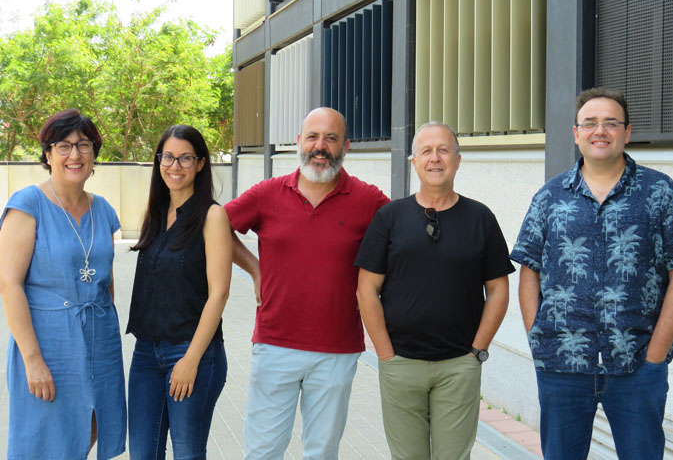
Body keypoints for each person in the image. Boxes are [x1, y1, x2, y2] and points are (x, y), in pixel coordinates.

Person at [510, 87, 673, 459]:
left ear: (627, 132)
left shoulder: (660, 192)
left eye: (611, 123)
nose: (600, 131)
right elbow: (528, 269)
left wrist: (657, 354)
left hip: (636, 365)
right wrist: (539, 338)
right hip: (561, 366)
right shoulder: (550, 196)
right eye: (590, 123)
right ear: (576, 133)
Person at [224, 107, 389, 459]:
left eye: (330, 138)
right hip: (274, 343)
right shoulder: (268, 193)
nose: (320, 146)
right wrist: (254, 268)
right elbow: (217, 226)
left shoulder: (369, 200)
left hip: (337, 350)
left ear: (346, 146)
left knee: (322, 452)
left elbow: (402, 242)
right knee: (263, 451)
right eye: (313, 137)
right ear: (299, 142)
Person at [355, 121, 514, 459]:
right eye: (426, 151)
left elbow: (499, 289)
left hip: (459, 364)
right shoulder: (389, 218)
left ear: (457, 160)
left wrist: (477, 352)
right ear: (414, 162)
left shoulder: (480, 218)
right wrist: (385, 354)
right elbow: (366, 289)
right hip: (401, 363)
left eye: (444, 150)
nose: (435, 158)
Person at [0, 109, 126, 459]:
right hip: (49, 342)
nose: (75, 155)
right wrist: (33, 359)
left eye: (84, 145)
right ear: (47, 153)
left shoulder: (103, 210)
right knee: (46, 437)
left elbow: (107, 280)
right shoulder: (28, 205)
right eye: (64, 146)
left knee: (92, 426)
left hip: (100, 340)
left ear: (94, 154)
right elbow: (9, 284)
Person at [126, 125, 232, 459]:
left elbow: (219, 294)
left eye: (185, 158)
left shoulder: (212, 216)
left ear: (201, 163)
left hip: (192, 352)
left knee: (187, 453)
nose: (175, 166)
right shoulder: (156, 213)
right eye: (168, 157)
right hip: (146, 353)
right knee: (143, 453)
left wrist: (190, 359)